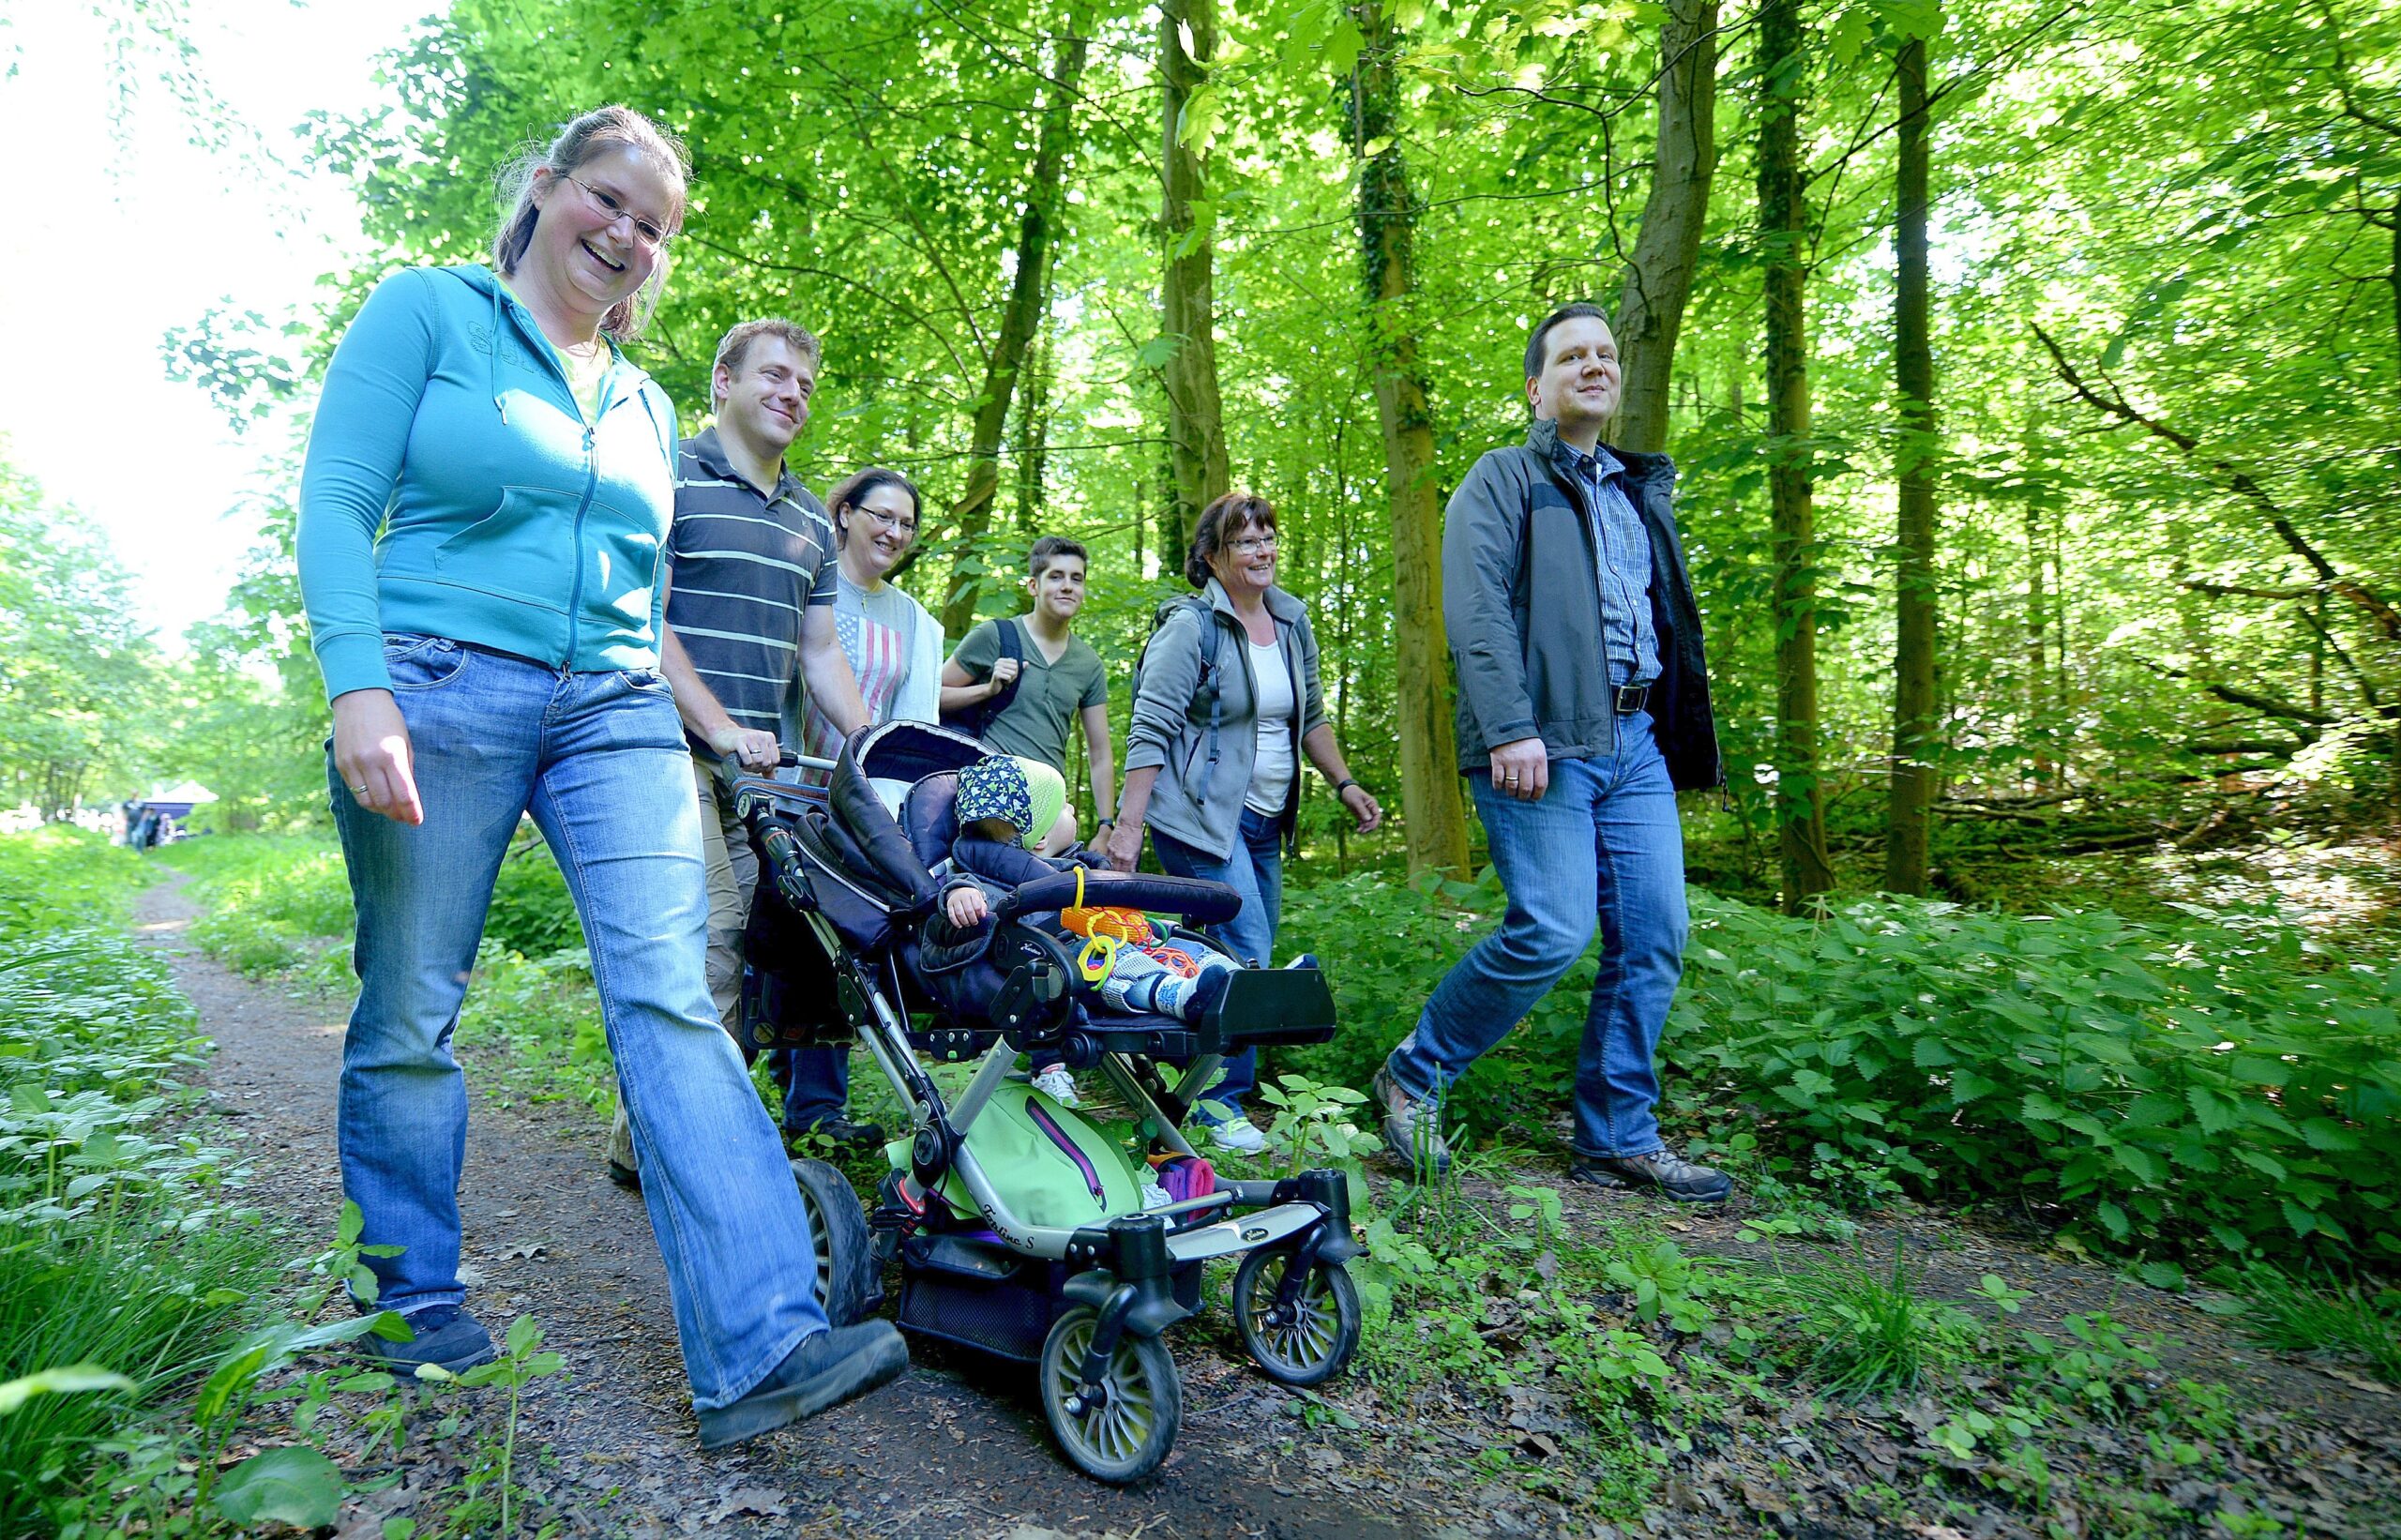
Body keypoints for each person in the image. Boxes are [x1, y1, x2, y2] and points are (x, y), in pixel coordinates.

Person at [296, 104, 905, 1448]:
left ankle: (761, 1341)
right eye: (610, 200)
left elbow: (648, 580)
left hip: (617, 704)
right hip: (437, 680)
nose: (625, 234)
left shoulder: (643, 400)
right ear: (548, 185)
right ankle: (410, 1291)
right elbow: (336, 502)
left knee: (676, 990)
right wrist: (358, 683)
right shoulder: (428, 314)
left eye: (655, 226)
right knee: (413, 1000)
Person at [1369, 302, 1729, 1203]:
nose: (1595, 366)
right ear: (1538, 386)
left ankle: (1617, 1135)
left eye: (1606, 354)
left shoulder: (1638, 488)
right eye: (1573, 356)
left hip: (1636, 741)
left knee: (1656, 936)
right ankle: (1414, 1072)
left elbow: (1665, 620)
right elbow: (1478, 611)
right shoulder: (1500, 479)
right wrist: (1509, 727)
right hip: (1542, 742)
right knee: (1555, 928)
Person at [600, 317, 871, 1186]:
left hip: (767, 774)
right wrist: (715, 726)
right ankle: (690, 1152)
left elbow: (820, 653)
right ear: (724, 380)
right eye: (775, 376)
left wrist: (875, 749)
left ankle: (645, 1140)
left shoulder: (809, 519)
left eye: (805, 384)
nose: (793, 394)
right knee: (713, 941)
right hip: (667, 747)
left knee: (762, 959)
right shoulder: (669, 473)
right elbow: (645, 617)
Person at [1110, 491, 1382, 1155]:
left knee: (1223, 953)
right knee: (1248, 946)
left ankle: (1176, 1077)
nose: (1262, 551)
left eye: (1268, 538)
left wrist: (1343, 782)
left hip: (1264, 821)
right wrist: (1128, 825)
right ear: (1211, 557)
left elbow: (1310, 717)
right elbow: (1151, 726)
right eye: (1245, 541)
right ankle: (1218, 1105)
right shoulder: (1192, 629)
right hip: (1198, 819)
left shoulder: (1291, 622)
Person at [778, 466, 942, 1143]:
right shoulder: (805, 589)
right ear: (844, 514)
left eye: (906, 524)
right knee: (767, 947)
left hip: (862, 814)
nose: (894, 532)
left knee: (839, 945)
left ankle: (816, 1108)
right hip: (787, 792)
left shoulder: (917, 623)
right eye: (883, 516)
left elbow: (914, 729)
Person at [939, 535, 1115, 1104]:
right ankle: (1030, 1053)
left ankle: (1059, 1046)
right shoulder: (996, 635)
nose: (1068, 587)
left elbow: (1100, 751)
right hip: (991, 811)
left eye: (1077, 578)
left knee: (1065, 917)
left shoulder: (1088, 662)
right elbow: (931, 697)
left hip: (1047, 812)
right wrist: (988, 688)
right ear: (1034, 584)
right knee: (1016, 922)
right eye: (1057, 576)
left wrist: (1108, 823)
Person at [937, 754, 1233, 1026]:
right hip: (1071, 956)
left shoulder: (1080, 866)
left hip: (1120, 934)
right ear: (1040, 839)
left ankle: (1231, 978)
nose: (1072, 807)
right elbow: (971, 887)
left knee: (1176, 941)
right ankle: (1176, 995)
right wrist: (961, 894)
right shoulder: (993, 874)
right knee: (1119, 964)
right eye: (1063, 807)